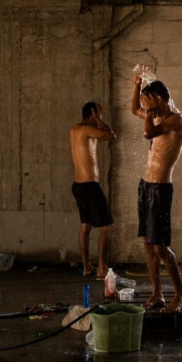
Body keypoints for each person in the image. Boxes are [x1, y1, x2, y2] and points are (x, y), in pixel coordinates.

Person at [131, 66, 182, 313]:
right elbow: (134, 109)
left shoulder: (175, 120)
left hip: (160, 189)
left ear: (160, 100)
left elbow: (147, 133)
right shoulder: (155, 116)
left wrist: (149, 113)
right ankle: (157, 293)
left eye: (150, 103)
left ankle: (180, 294)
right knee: (147, 244)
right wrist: (136, 86)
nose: (146, 108)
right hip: (145, 185)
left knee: (160, 247)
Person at [70, 101, 116, 278]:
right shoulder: (87, 130)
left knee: (86, 226)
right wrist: (100, 122)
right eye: (100, 114)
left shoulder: (75, 129)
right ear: (93, 114)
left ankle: (86, 266)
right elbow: (111, 135)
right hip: (89, 186)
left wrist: (96, 120)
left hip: (78, 186)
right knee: (107, 227)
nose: (101, 117)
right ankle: (102, 268)